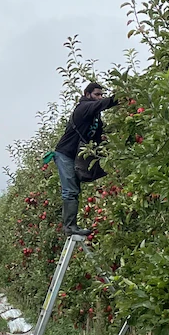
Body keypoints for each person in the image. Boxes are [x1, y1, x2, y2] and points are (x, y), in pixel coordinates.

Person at [53, 81, 118, 236]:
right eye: (97, 94)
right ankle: (70, 227)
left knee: (75, 189)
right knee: (70, 190)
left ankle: (71, 225)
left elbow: (98, 135)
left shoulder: (95, 116)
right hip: (65, 154)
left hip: (75, 155)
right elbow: (100, 105)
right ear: (87, 94)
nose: (99, 97)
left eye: (101, 95)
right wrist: (120, 97)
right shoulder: (83, 107)